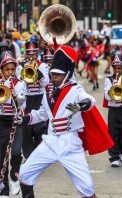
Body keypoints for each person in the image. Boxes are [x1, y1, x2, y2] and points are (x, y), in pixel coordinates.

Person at [17, 45, 102, 198]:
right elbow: (42, 114)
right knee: (24, 174)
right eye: (53, 74)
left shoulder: (75, 89)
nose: (54, 77)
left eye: (58, 75)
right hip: (51, 143)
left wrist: (81, 105)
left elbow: (89, 100)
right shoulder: (47, 93)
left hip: (70, 144)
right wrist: (23, 119)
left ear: (67, 74)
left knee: (87, 188)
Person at [16, 41, 49, 159]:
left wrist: (36, 71)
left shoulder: (43, 65)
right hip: (26, 99)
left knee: (40, 127)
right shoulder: (20, 66)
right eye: (29, 54)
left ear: (37, 53)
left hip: (39, 98)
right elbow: (18, 85)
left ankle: (38, 153)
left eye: (33, 54)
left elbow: (45, 82)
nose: (31, 57)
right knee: (26, 127)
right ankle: (28, 155)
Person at [0, 51, 26, 196]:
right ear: (2, 71)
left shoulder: (20, 84)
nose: (10, 72)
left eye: (12, 69)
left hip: (17, 122)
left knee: (16, 153)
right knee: (2, 156)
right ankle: (4, 189)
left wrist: (12, 88)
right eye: (7, 70)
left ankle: (13, 175)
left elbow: (22, 103)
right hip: (2, 122)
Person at [103, 54, 122, 167]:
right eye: (115, 68)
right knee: (113, 132)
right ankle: (114, 156)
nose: (117, 70)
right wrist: (113, 89)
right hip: (113, 109)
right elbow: (106, 95)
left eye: (119, 68)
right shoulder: (108, 79)